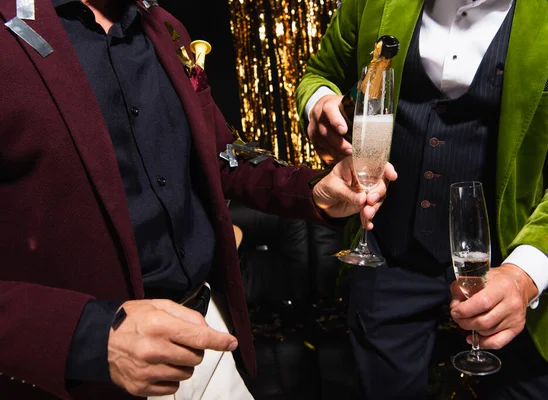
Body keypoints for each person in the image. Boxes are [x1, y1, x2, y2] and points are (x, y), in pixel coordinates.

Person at [0, 0, 397, 399]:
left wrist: (314, 192)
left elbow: (222, 155)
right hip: (87, 375)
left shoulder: (164, 26)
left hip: (204, 337)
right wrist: (88, 338)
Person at [297, 0, 548, 398]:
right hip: (389, 249)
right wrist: (318, 100)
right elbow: (321, 73)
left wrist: (526, 275)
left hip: (508, 260)